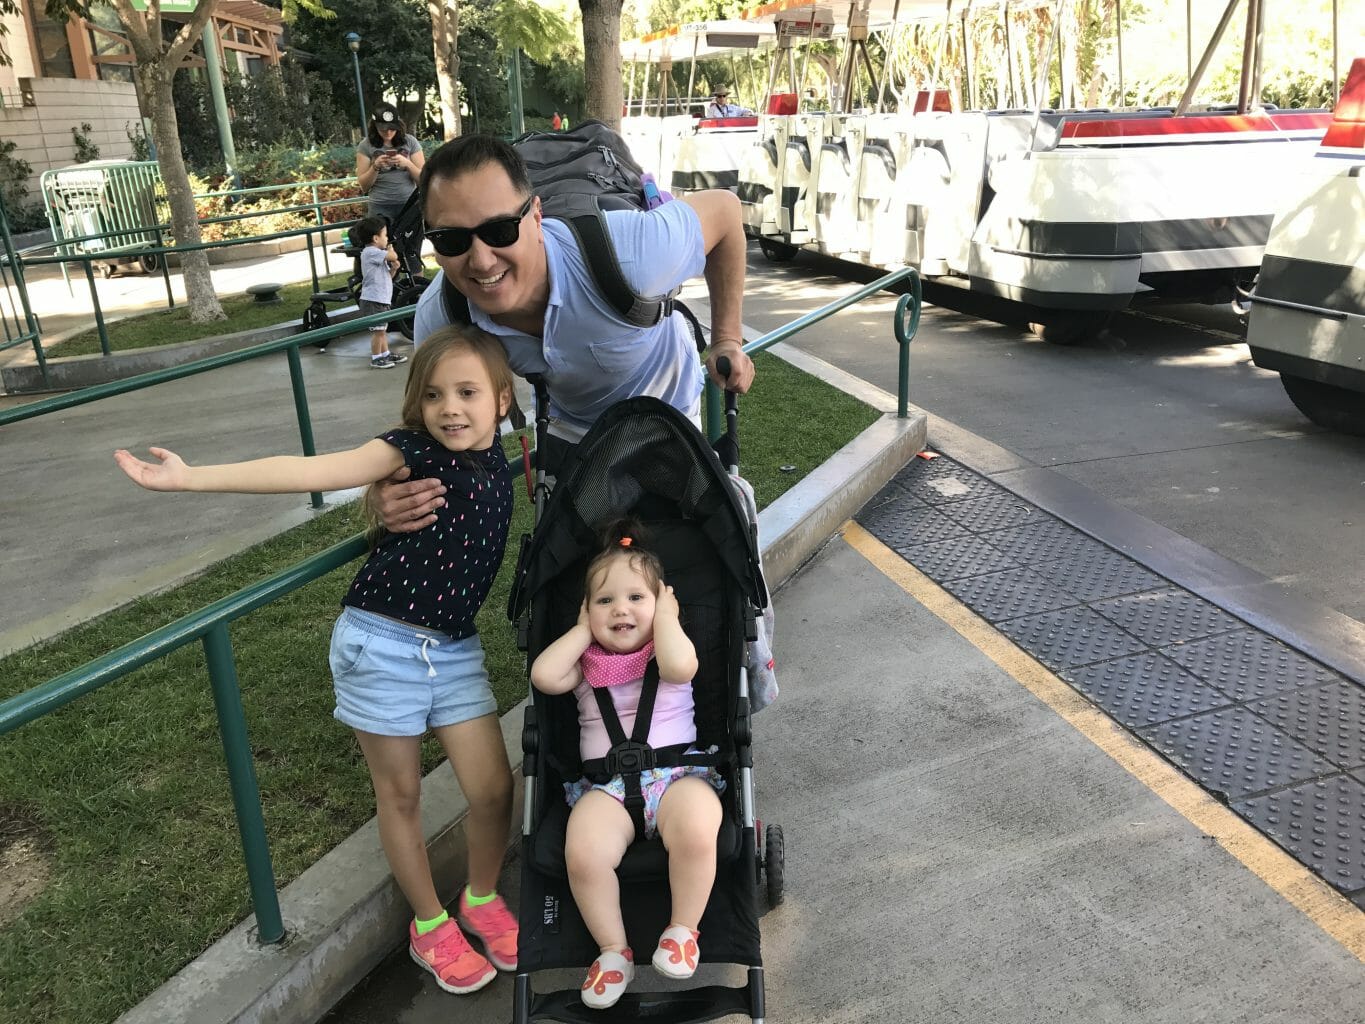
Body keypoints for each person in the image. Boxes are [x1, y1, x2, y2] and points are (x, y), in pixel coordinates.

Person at [113, 326, 520, 998]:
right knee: (402, 795)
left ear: (501, 401)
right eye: (434, 395)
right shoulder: (405, 451)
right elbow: (308, 469)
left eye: (468, 392)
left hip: (453, 646)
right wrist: (189, 480)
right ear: (415, 406)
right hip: (381, 643)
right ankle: (429, 925)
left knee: (493, 787)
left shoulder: (500, 453)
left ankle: (479, 898)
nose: (450, 407)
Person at [373, 132, 755, 531]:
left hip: (668, 413)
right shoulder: (442, 315)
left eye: (500, 230)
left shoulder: (632, 253)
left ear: (536, 216)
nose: (482, 261)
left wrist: (727, 337)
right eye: (451, 240)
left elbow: (726, 212)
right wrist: (395, 486)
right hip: (570, 426)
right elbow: (423, 426)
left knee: (685, 548)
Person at [529, 521, 724, 1011]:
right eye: (604, 601)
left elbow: (682, 668)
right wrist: (579, 632)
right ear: (586, 612)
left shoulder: (668, 652)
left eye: (637, 597)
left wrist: (668, 619)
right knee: (584, 854)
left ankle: (683, 930)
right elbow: (544, 676)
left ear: (661, 605)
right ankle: (614, 951)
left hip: (679, 779)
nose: (621, 609)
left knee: (699, 831)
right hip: (607, 789)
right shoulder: (584, 666)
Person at [356, 103, 426, 228]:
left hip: (408, 204)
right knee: (381, 246)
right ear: (375, 126)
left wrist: (408, 164)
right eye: (383, 129)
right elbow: (364, 186)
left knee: (409, 246)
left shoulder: (410, 141)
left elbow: (424, 180)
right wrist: (375, 167)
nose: (388, 132)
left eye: (392, 128)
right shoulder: (365, 145)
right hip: (379, 207)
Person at [352, 215, 408, 369]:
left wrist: (395, 269)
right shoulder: (370, 252)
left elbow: (387, 278)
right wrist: (391, 249)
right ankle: (376, 357)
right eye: (385, 235)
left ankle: (385, 354)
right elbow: (393, 255)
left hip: (381, 298)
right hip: (373, 300)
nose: (387, 238)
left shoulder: (377, 256)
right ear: (376, 239)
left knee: (382, 330)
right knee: (378, 332)